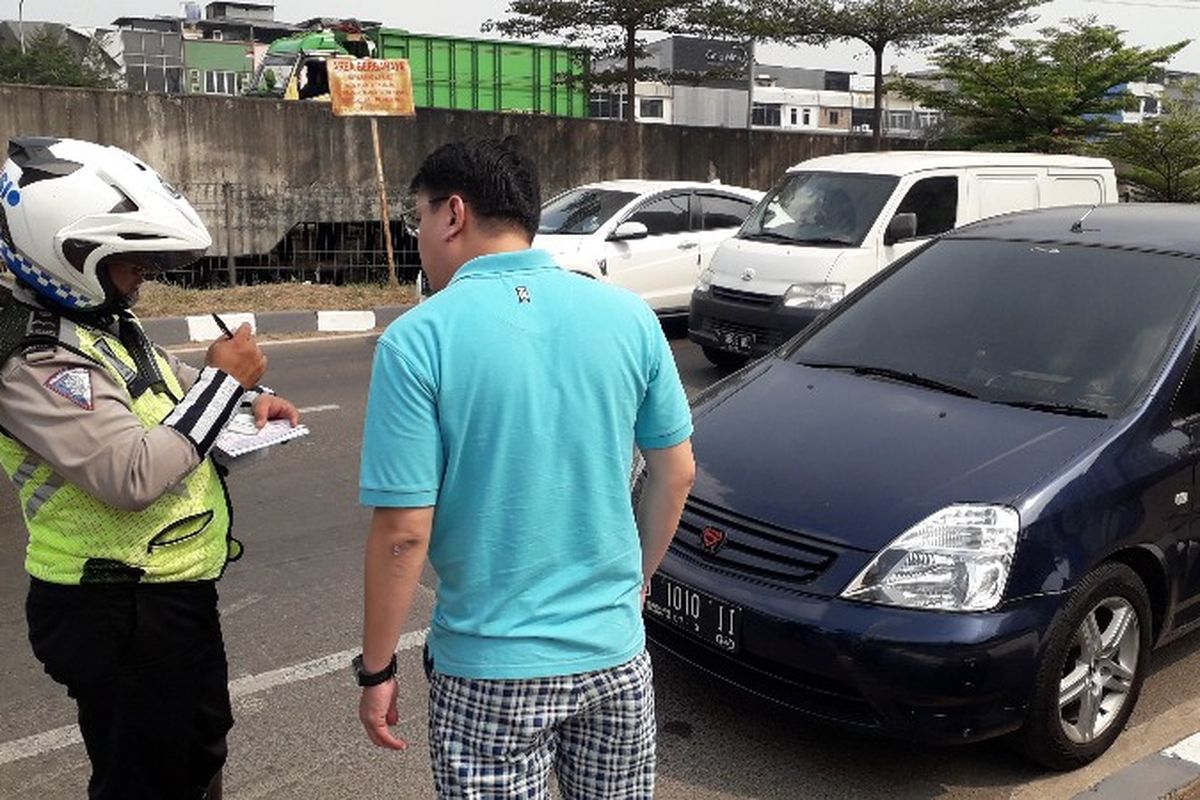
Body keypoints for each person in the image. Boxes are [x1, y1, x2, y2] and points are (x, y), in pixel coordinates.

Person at [355, 137, 696, 799]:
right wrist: (638, 580)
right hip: (614, 658)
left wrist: (375, 672)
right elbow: (675, 471)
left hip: (488, 669)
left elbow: (402, 529)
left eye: (419, 218)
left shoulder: (419, 338)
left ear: (453, 214)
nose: (419, 236)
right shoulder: (628, 316)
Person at [0, 137, 299, 800]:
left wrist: (248, 398)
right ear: (68, 251)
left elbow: (161, 384)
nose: (144, 271)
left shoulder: (94, 320)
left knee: (195, 753)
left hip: (166, 594)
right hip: (113, 607)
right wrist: (223, 388)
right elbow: (127, 474)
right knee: (145, 781)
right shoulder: (35, 357)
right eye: (129, 257)